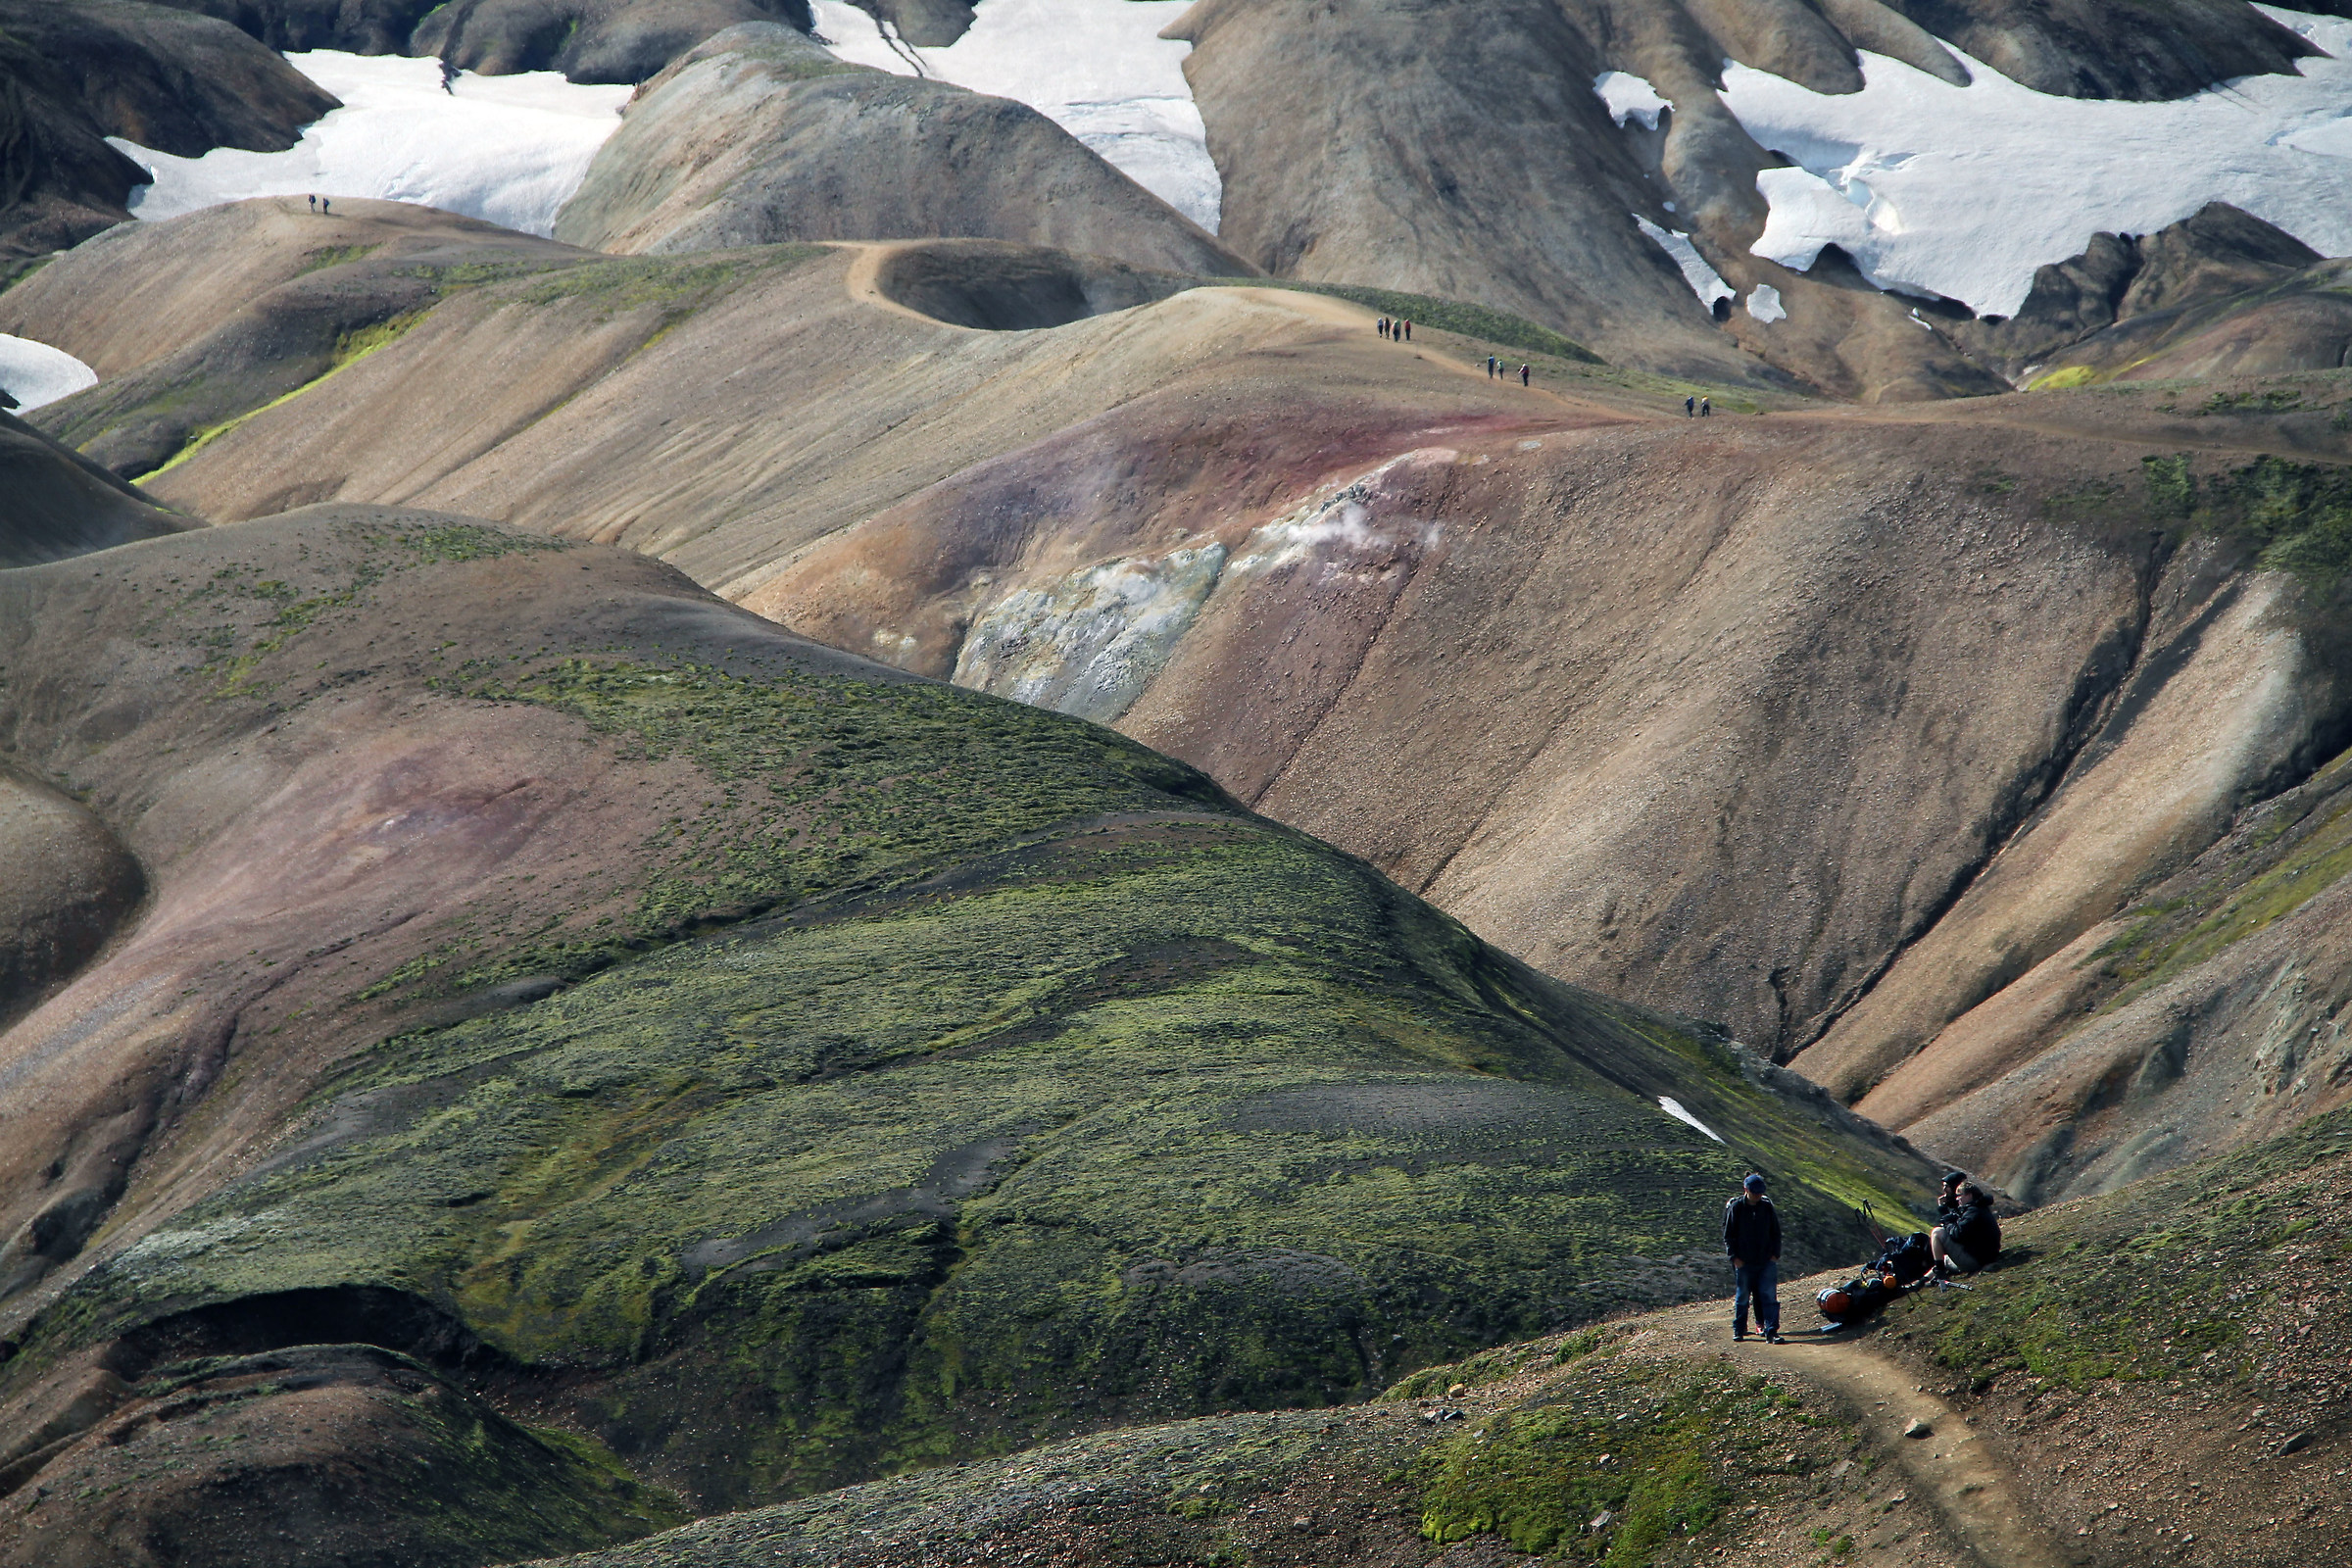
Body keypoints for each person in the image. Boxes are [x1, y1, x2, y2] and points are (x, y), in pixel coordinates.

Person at [1724, 1173, 1783, 1342]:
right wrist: (1734, 1257)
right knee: (1742, 1296)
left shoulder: (1767, 1207)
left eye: (1760, 1192)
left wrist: (1774, 1255)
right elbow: (1728, 1235)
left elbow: (1775, 1232)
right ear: (1746, 1190)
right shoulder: (1736, 1208)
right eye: (1755, 1192)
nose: (1758, 1195)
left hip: (1766, 1261)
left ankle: (1771, 1331)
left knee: (1769, 1296)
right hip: (1744, 1262)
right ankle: (1739, 1329)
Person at [1931, 1173, 2000, 1276]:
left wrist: (1946, 1217)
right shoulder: (1977, 1207)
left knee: (1937, 1232)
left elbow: (1957, 1233)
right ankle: (1922, 1282)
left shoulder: (1973, 1212)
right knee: (1943, 1259)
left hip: (1976, 1260)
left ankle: (1940, 1275)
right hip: (1983, 1256)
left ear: (1969, 1195)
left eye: (1960, 1195)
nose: (1958, 1199)